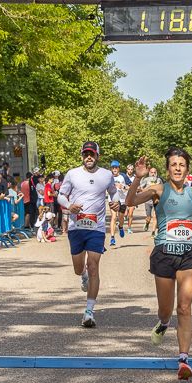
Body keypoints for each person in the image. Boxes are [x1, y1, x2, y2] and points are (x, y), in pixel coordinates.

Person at [125, 149, 192, 381]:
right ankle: (163, 323)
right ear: (167, 168)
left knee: (185, 307)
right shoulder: (158, 190)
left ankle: (183, 359)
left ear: (188, 169)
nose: (178, 168)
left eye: (182, 164)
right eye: (173, 164)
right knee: (166, 310)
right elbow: (130, 201)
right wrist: (138, 177)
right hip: (164, 254)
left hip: (189, 252)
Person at [57, 141, 120, 329]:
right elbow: (61, 195)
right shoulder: (72, 174)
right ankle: (81, 274)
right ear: (82, 156)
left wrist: (116, 203)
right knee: (79, 268)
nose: (89, 157)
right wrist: (69, 206)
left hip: (97, 227)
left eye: (92, 154)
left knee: (94, 266)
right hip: (77, 227)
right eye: (86, 154)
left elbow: (114, 194)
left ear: (98, 155)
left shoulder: (106, 175)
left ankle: (89, 311)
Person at [108, 161, 127, 246]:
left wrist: (122, 186)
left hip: (122, 200)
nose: (114, 169)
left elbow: (130, 186)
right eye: (113, 167)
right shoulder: (108, 177)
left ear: (119, 168)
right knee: (114, 217)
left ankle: (121, 226)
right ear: (111, 169)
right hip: (112, 200)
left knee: (121, 218)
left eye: (116, 167)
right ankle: (112, 238)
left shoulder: (123, 176)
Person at [139, 165, 163, 232]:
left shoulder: (159, 180)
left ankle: (153, 232)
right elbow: (141, 188)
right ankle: (147, 223)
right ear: (149, 173)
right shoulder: (146, 180)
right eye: (152, 172)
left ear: (156, 173)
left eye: (154, 172)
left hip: (156, 201)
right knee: (148, 218)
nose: (153, 174)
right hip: (148, 201)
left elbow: (162, 189)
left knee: (155, 216)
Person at [124, 163, 137, 233]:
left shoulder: (135, 177)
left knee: (130, 214)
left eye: (131, 169)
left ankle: (129, 228)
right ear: (127, 170)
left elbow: (137, 186)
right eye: (129, 169)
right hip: (124, 197)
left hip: (132, 197)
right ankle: (123, 218)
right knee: (125, 214)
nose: (130, 171)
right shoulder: (123, 177)